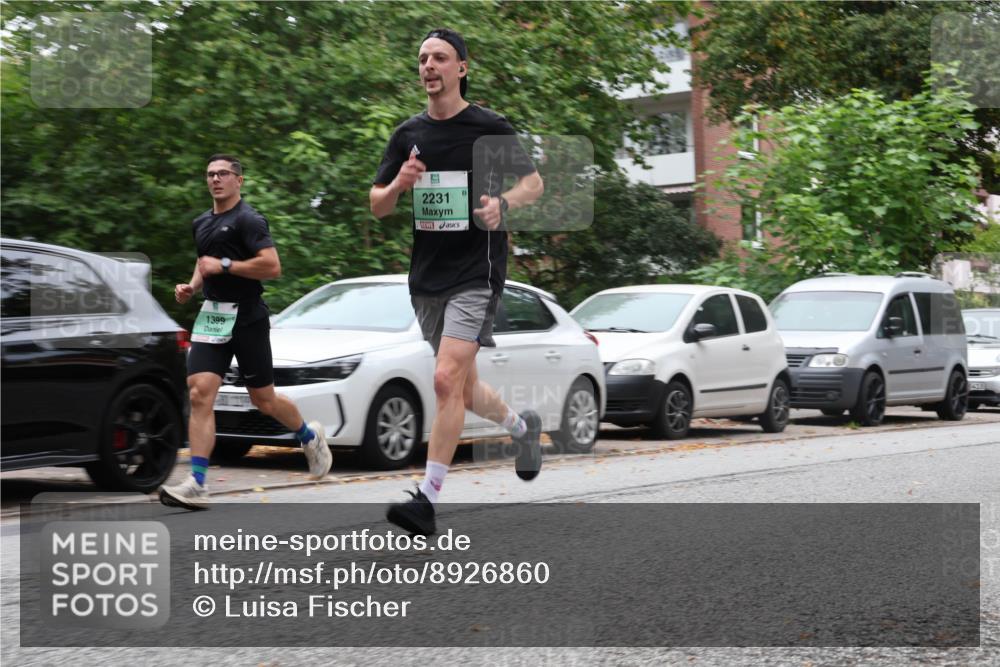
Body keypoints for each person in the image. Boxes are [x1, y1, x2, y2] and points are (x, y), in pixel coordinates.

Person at [370, 28, 545, 535]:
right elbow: (377, 205)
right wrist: (399, 184)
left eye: (440, 58)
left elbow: (533, 183)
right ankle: (521, 426)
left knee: (445, 378)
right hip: (427, 276)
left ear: (461, 68)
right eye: (423, 58)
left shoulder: (487, 127)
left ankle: (426, 499)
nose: (429, 66)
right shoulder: (407, 134)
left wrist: (502, 204)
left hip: (477, 271)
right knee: (463, 389)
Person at [159, 154, 332, 510]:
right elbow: (204, 260)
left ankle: (309, 436)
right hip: (212, 315)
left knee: (263, 399)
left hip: (248, 318)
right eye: (210, 174)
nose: (215, 179)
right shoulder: (201, 223)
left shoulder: (249, 220)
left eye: (223, 173)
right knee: (200, 393)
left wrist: (224, 265)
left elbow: (272, 266)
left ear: (239, 180)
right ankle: (198, 483)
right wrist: (192, 286)